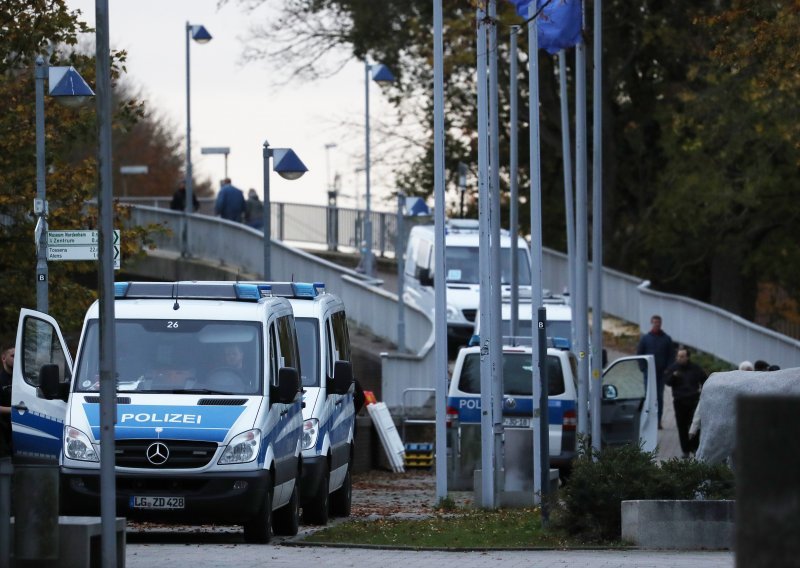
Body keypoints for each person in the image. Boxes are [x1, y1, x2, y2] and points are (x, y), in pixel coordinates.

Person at [664, 347, 707, 458]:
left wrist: (702, 391)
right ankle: (685, 450)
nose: (680, 358)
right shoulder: (673, 368)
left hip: (693, 400)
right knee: (681, 426)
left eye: (682, 356)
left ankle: (695, 447)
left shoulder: (695, 368)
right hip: (679, 401)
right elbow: (667, 382)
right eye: (678, 356)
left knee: (694, 425)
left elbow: (704, 379)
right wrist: (673, 376)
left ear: (687, 357)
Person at [636, 314, 675, 429]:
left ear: (661, 324)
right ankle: (648, 420)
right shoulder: (645, 338)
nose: (656, 324)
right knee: (649, 397)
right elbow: (640, 354)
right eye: (654, 322)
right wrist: (643, 368)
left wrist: (668, 369)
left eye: (658, 323)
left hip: (661, 373)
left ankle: (658, 421)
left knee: (659, 397)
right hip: (649, 373)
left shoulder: (666, 339)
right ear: (651, 323)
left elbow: (671, 355)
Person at [0, 342, 14, 457]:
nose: (16, 359)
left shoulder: (23, 379)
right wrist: (13, 410)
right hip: (4, 429)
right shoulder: (0, 380)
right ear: (3, 358)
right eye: (12, 356)